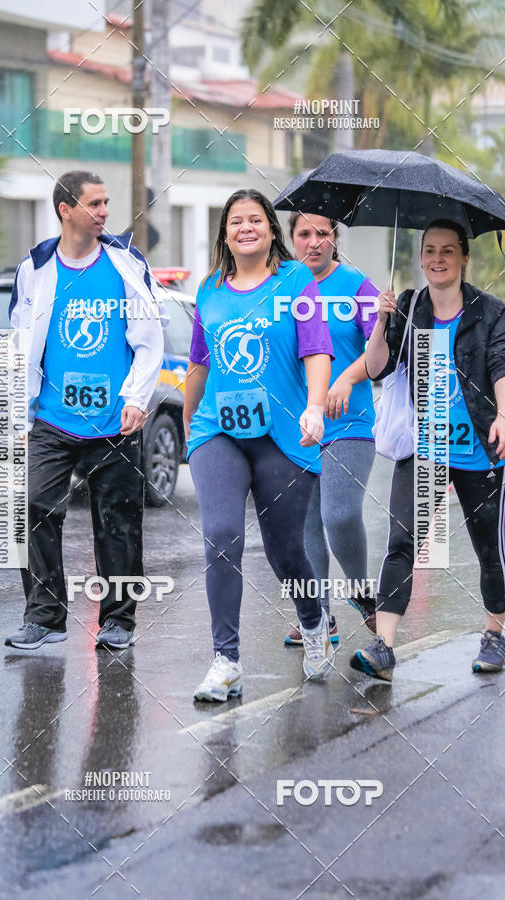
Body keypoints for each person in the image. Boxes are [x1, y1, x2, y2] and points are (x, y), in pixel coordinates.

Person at [184, 188, 335, 702]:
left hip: (284, 434)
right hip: (218, 431)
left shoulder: (295, 281)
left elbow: (316, 349)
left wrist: (315, 405)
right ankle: (226, 661)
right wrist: (188, 425)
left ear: (271, 230)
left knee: (284, 550)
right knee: (222, 534)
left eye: (255, 219)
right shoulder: (209, 291)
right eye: (235, 222)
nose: (245, 227)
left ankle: (314, 623)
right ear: (224, 234)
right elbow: (200, 364)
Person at [351, 219, 505, 681]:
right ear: (420, 257)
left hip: (482, 449)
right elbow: (377, 368)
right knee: (402, 542)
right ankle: (383, 646)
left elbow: (504, 365)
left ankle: (494, 636)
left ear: (464, 258)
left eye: (447, 251)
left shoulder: (491, 312)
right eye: (429, 251)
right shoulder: (410, 308)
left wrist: (503, 417)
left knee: (488, 548)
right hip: (427, 447)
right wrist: (382, 320)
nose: (437, 259)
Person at [5, 170, 164, 651]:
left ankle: (118, 621)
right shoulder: (34, 268)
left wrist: (136, 398)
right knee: (32, 504)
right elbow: (18, 344)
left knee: (117, 520)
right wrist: (16, 414)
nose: (104, 212)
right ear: (65, 209)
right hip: (51, 418)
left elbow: (149, 337)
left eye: (107, 202)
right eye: (94, 204)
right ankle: (45, 616)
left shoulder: (125, 263)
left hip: (115, 420)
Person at [283, 212, 379, 649]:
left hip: (349, 421)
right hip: (295, 424)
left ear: (335, 239)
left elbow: (383, 353)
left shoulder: (358, 286)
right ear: (292, 240)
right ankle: (319, 617)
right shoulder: (280, 286)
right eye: (304, 234)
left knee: (338, 515)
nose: (314, 241)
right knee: (304, 528)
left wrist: (348, 377)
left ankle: (361, 590)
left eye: (323, 233)